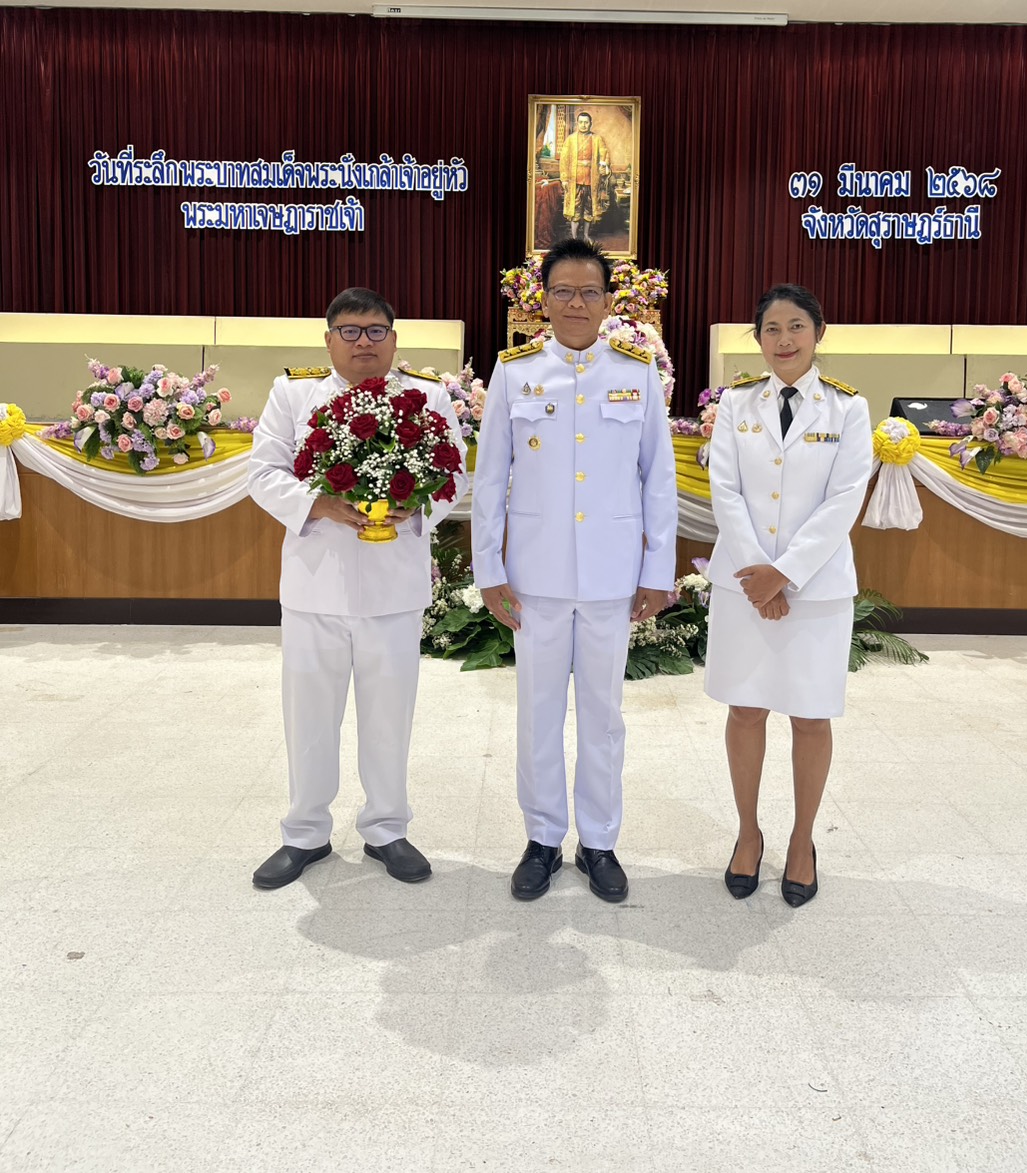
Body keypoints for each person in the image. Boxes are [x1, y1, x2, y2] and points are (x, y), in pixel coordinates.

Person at [471, 238, 677, 903]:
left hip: (613, 575)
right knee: (536, 712)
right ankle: (541, 837)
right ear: (544, 299)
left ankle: (598, 842)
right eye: (564, 290)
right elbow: (490, 477)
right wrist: (489, 568)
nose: (577, 303)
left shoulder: (639, 370)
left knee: (603, 713)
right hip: (535, 576)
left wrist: (657, 568)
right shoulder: (515, 370)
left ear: (610, 301)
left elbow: (659, 482)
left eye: (591, 291)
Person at [248, 288, 468, 890]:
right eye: (350, 331)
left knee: (388, 716)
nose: (363, 341)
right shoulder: (294, 392)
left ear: (394, 340)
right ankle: (305, 833)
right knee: (309, 715)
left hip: (393, 586)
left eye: (376, 331)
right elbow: (261, 471)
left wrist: (414, 507)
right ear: (328, 339)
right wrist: (315, 502)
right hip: (315, 584)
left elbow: (454, 472)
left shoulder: (426, 395)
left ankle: (387, 829)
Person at [703, 285, 871, 907]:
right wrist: (758, 573)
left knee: (809, 714)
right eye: (771, 329)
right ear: (758, 339)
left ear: (818, 331)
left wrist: (786, 574)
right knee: (746, 710)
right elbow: (726, 491)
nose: (784, 340)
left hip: (816, 590)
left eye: (796, 326)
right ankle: (748, 834)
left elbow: (844, 499)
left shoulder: (849, 410)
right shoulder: (737, 402)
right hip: (746, 588)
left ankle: (803, 840)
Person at [559, 111, 611, 239]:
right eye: (581, 122)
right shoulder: (570, 140)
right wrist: (564, 179)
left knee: (589, 209)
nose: (583, 125)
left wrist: (604, 168)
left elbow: (604, 156)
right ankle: (574, 237)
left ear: (590, 124)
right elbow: (564, 160)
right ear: (577, 123)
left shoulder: (597, 139)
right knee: (575, 209)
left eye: (586, 122)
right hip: (574, 180)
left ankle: (587, 235)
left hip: (591, 179)